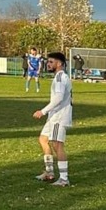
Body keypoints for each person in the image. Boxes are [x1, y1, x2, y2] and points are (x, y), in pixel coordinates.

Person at [33, 51, 73, 186]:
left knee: (57, 145)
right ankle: (49, 172)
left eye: (51, 62)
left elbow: (59, 98)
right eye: (48, 62)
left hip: (59, 117)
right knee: (43, 139)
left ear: (59, 63)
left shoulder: (61, 78)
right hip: (54, 116)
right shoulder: (58, 77)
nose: (48, 64)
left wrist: (43, 111)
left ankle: (64, 179)